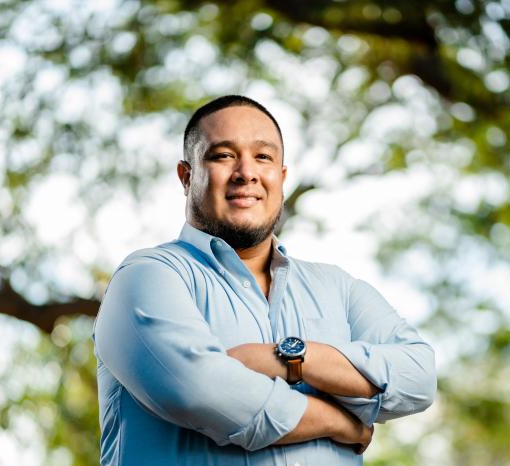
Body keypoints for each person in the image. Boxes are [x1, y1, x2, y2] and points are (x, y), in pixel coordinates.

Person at [93, 95, 436, 466]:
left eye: (263, 157)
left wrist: (290, 359)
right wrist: (340, 422)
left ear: (282, 178)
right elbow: (201, 392)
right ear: (186, 176)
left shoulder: (338, 288)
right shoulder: (146, 276)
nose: (246, 172)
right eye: (223, 155)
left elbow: (418, 378)